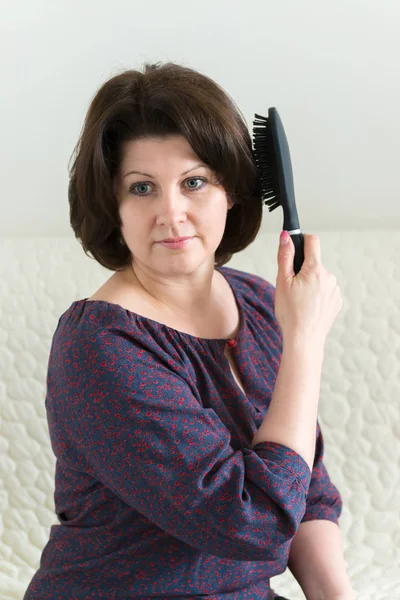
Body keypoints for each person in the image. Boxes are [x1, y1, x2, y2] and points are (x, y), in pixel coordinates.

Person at [24, 62, 354, 600]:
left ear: (231, 192)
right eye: (142, 187)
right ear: (114, 206)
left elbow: (305, 490)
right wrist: (305, 344)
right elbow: (250, 520)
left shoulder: (258, 301)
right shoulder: (99, 345)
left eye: (194, 182)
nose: (170, 212)